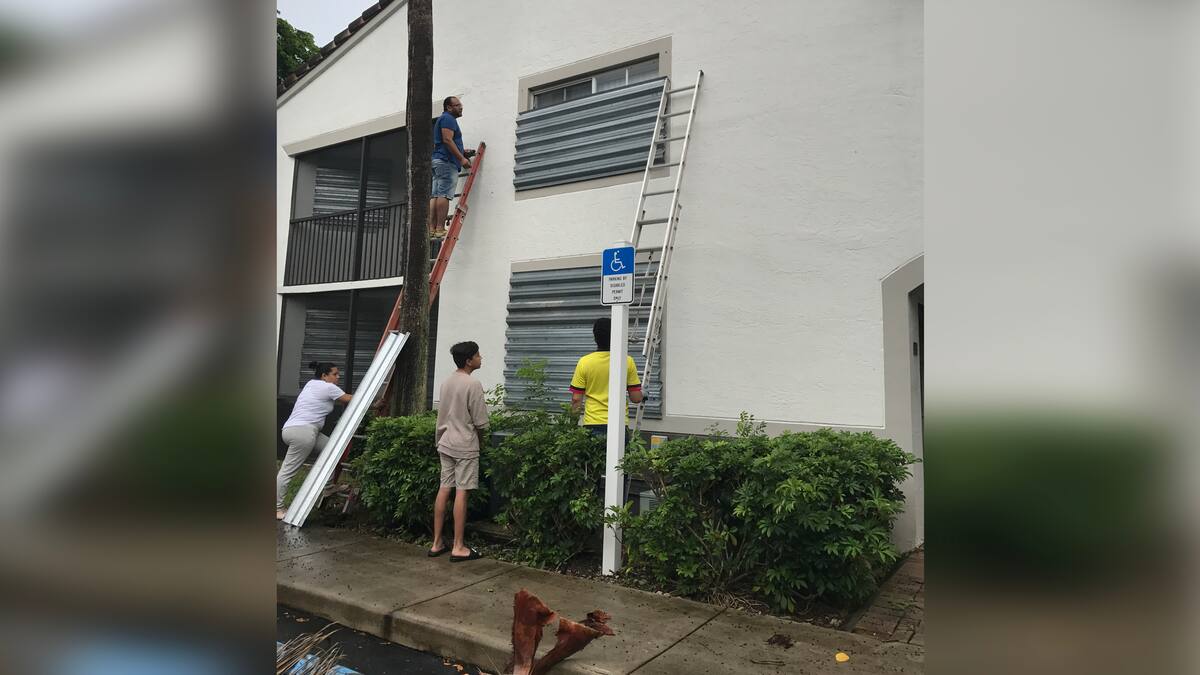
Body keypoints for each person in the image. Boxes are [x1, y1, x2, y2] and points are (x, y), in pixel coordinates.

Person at [429, 341, 489, 562]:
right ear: (469, 360)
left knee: (444, 488)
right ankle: (458, 546)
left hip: (446, 442)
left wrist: (439, 440)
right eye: (478, 355)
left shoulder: (447, 382)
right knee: (462, 492)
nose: (481, 358)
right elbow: (481, 422)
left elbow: (441, 416)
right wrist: (481, 442)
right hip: (465, 445)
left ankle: (436, 543)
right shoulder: (473, 384)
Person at [277, 361, 352, 519]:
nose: (338, 377)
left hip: (294, 429)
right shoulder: (328, 387)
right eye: (335, 374)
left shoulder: (311, 384)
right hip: (303, 432)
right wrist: (375, 404)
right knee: (287, 472)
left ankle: (329, 487)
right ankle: (277, 508)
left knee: (332, 450)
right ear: (324, 376)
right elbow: (350, 399)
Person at [569, 317, 644, 437]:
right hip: (619, 425)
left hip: (592, 425)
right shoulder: (627, 361)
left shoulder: (584, 362)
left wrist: (572, 427)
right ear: (615, 336)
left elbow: (576, 399)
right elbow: (636, 398)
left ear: (595, 338)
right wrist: (643, 393)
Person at [429, 96, 476, 239]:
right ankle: (439, 228)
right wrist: (461, 159)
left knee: (436, 195)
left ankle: (431, 228)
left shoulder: (443, 119)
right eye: (457, 105)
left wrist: (462, 152)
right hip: (446, 162)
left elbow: (446, 141)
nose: (461, 107)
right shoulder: (448, 119)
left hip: (438, 160)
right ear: (449, 107)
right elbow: (447, 140)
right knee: (444, 195)